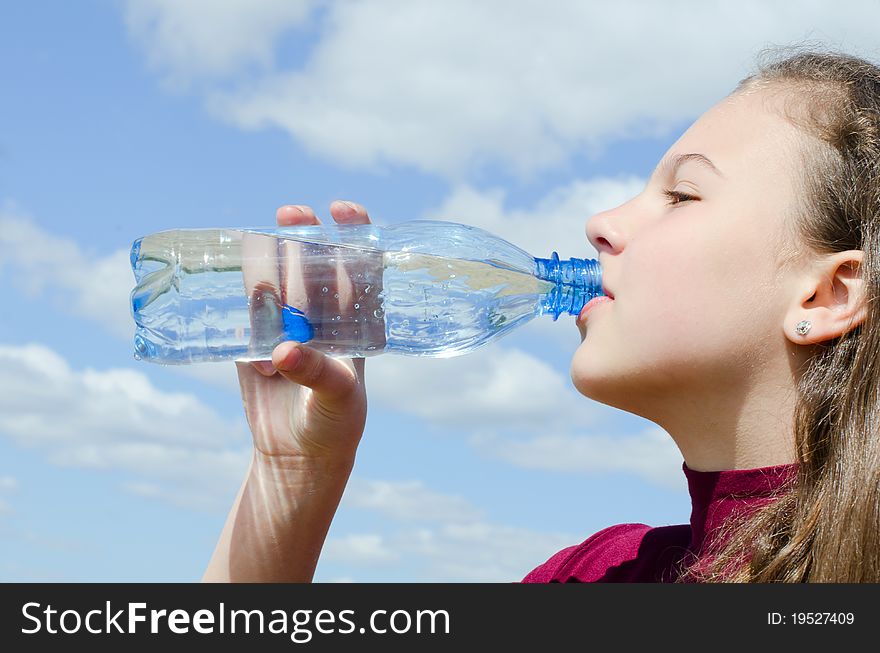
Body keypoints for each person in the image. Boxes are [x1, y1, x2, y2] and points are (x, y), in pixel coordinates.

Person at [202, 49, 880, 583]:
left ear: (828, 296)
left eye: (681, 195)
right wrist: (291, 476)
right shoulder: (593, 580)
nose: (599, 224)